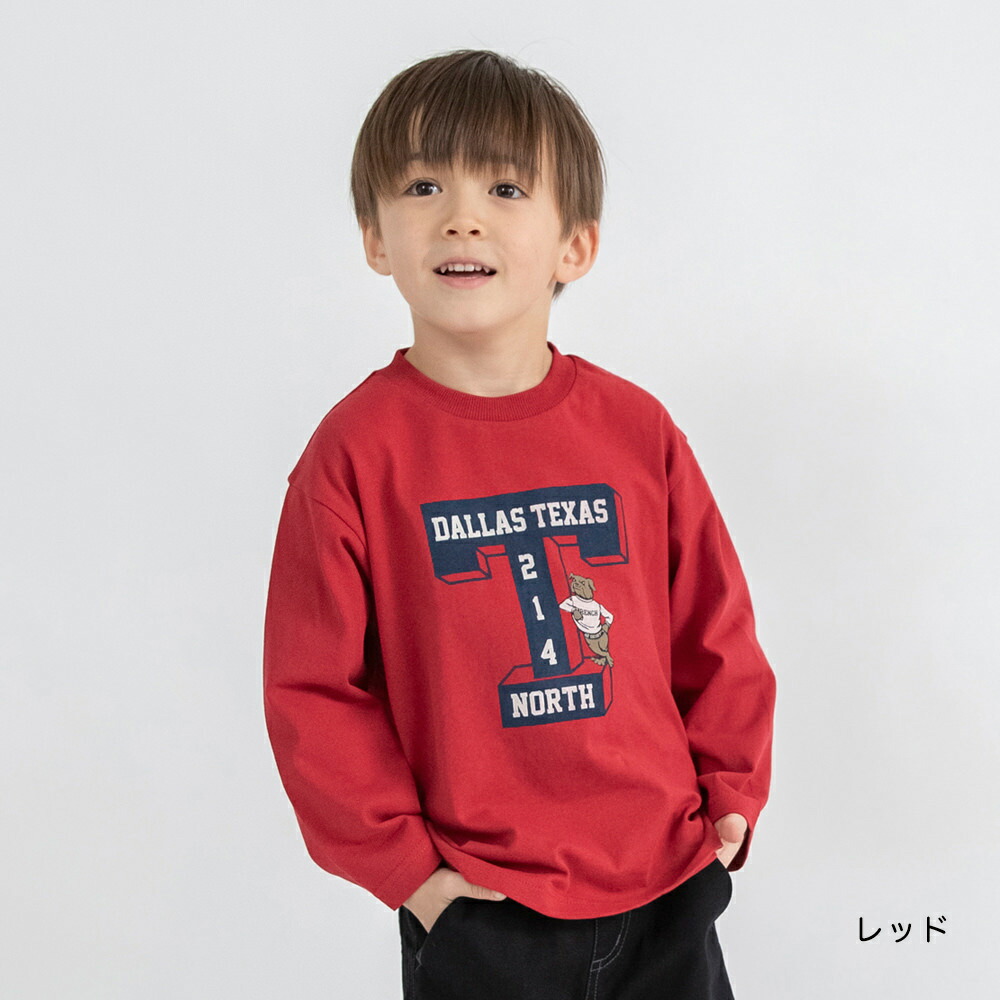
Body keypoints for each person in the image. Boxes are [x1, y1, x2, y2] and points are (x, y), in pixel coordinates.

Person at [263, 48, 777, 1000]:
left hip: (667, 885)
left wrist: (732, 791)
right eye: (423, 186)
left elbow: (715, 627)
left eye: (504, 188)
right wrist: (412, 876)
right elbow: (314, 692)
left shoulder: (636, 432)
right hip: (482, 911)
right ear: (375, 237)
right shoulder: (354, 455)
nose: (462, 216)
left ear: (574, 245)